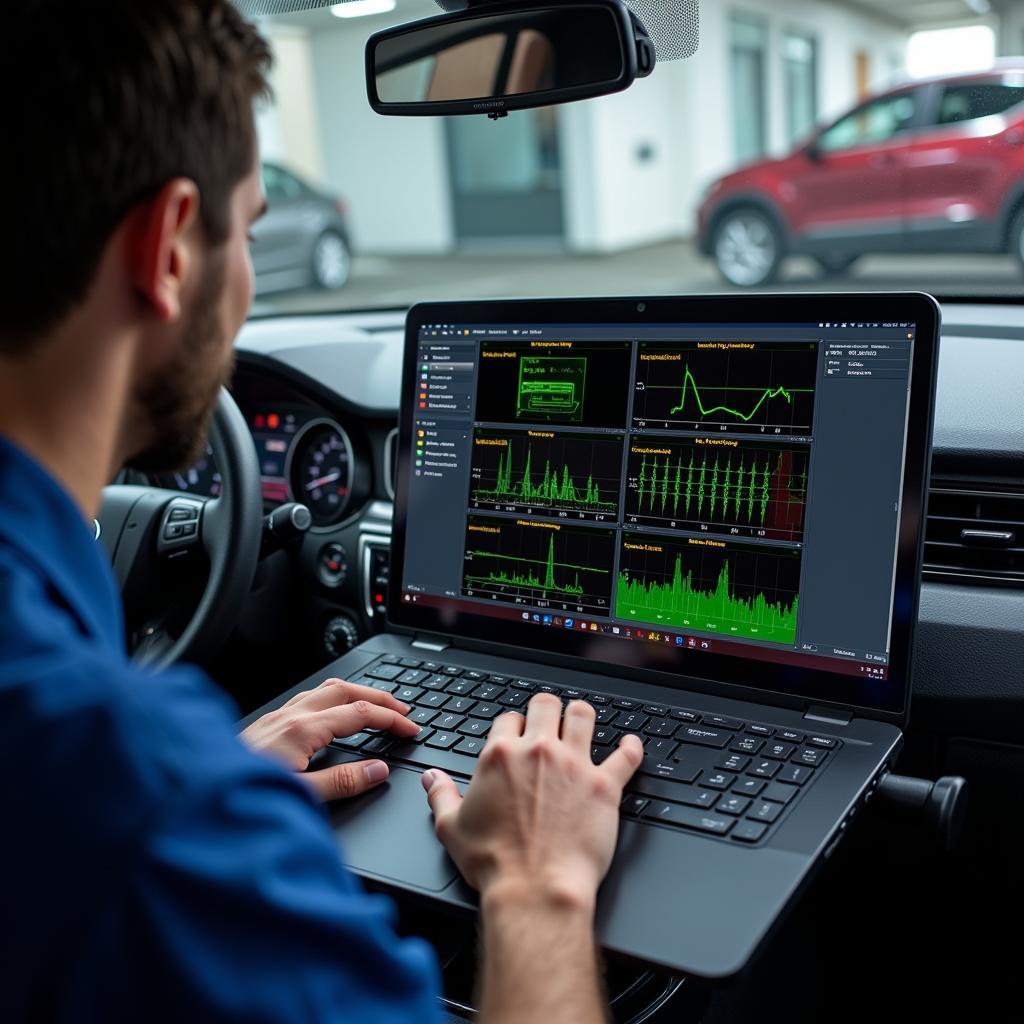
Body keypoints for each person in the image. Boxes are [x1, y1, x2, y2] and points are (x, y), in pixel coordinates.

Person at [0, 3, 644, 1020]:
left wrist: (211, 786)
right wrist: (538, 883)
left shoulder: (127, 786)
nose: (248, 278)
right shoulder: (130, 795)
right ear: (169, 247)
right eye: (248, 230)